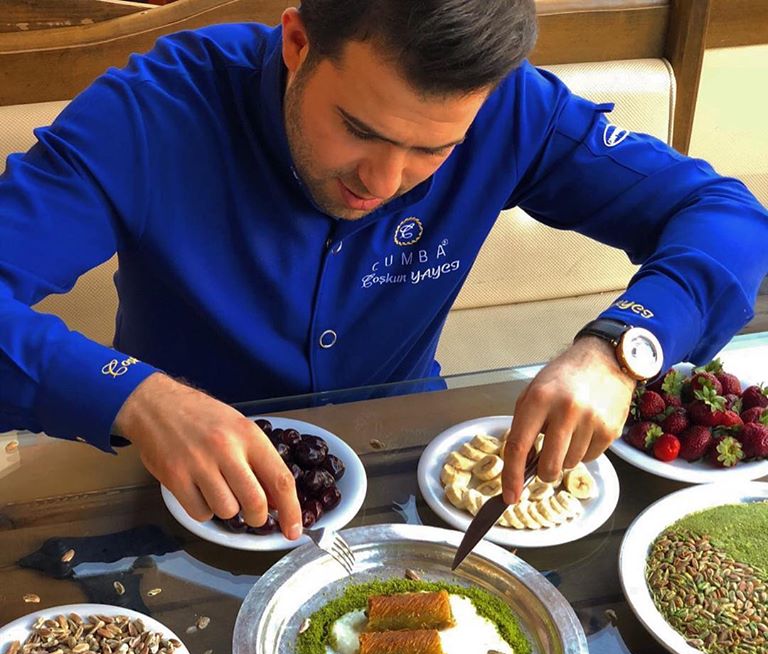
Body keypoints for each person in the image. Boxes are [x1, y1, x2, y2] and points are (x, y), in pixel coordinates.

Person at [1, 1, 766, 539]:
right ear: (297, 43)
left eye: (434, 150)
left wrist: (618, 349)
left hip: (409, 479)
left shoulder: (514, 110)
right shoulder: (151, 112)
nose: (383, 181)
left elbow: (724, 214)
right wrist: (138, 396)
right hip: (177, 484)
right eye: (357, 129)